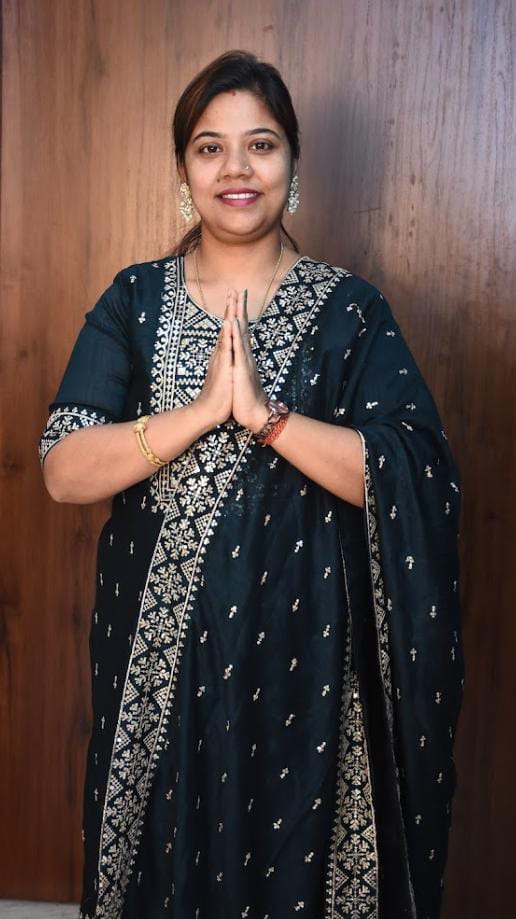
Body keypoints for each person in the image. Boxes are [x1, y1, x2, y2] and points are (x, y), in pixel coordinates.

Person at [38, 49, 464, 919]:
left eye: (260, 145)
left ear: (292, 166)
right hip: (160, 672)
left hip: (310, 667)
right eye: (211, 147)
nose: (236, 168)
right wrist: (202, 413)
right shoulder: (134, 302)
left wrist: (267, 417)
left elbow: (415, 473)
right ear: (183, 170)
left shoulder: (350, 311)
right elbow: (64, 468)